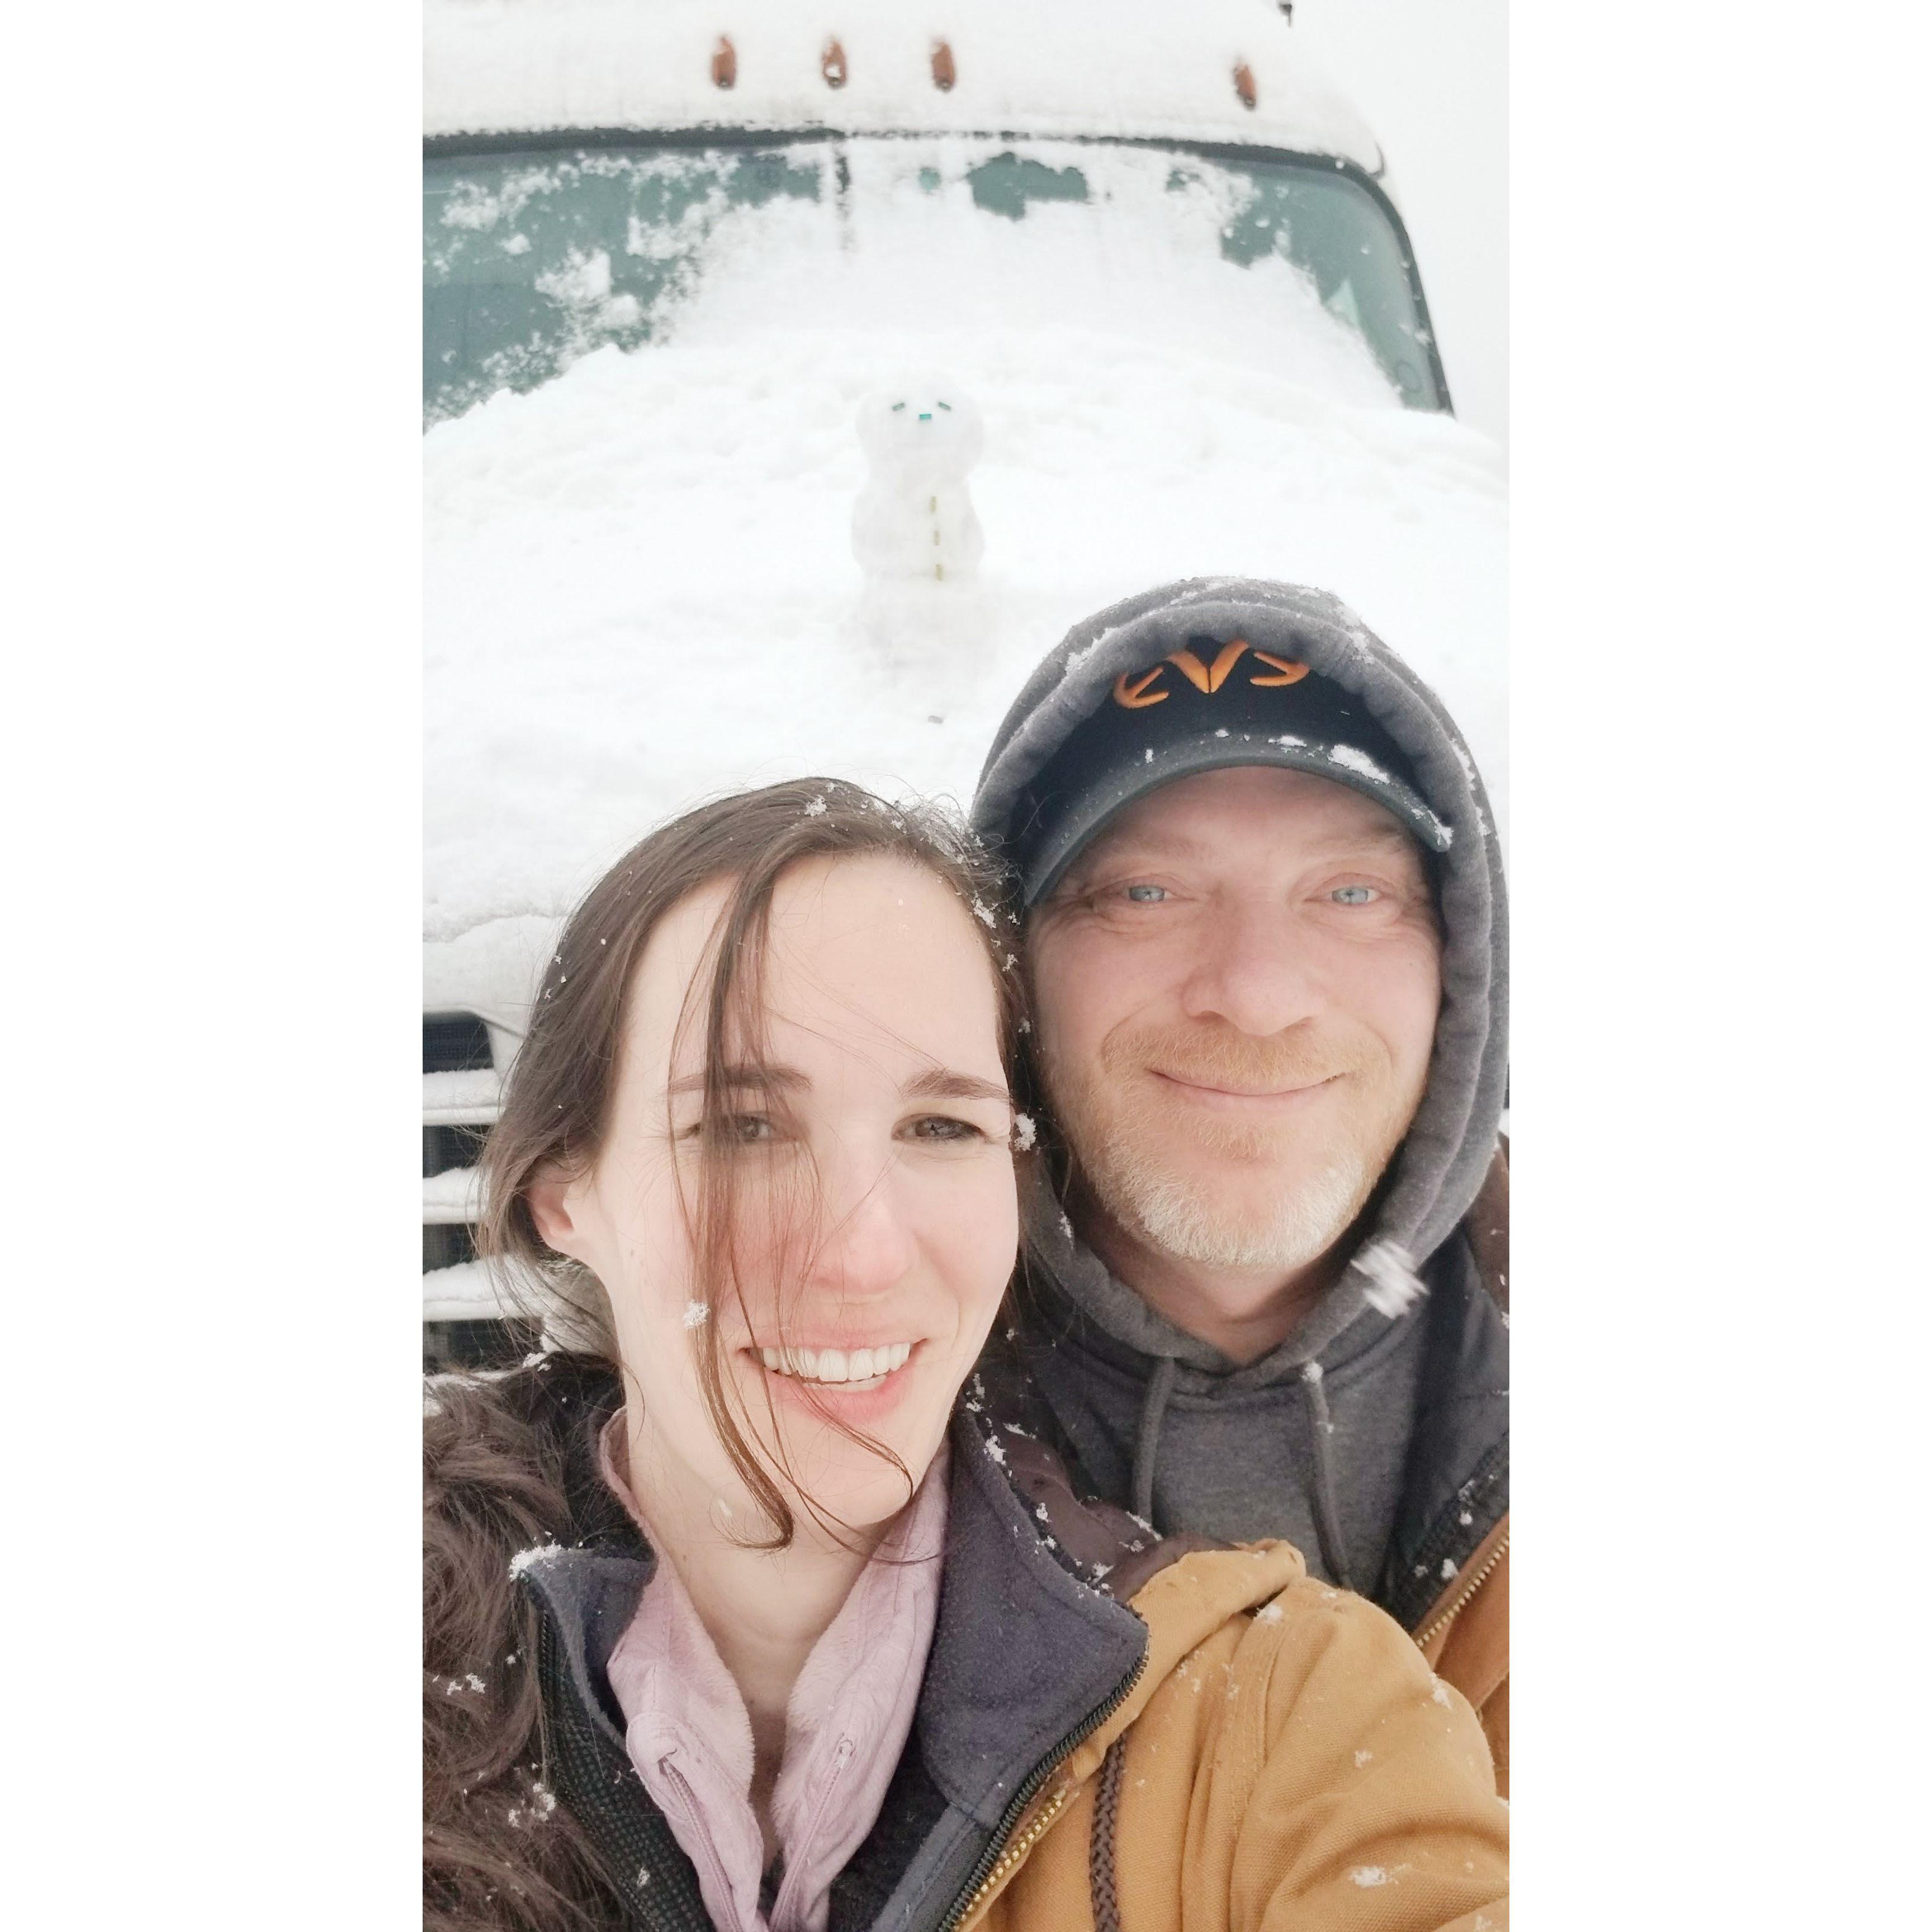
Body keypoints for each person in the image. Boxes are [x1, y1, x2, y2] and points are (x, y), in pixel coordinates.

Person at [424, 777, 1508, 1932]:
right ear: (560, 1192)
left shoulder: (1286, 1719)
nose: (863, 1253)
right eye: (742, 1127)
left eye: (941, 1128)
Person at [970, 578, 1511, 1789]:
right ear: (1013, 972)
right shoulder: (849, 1452)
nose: (1257, 992)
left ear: (1461, 971)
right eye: (1145, 893)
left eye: (1352, 894)